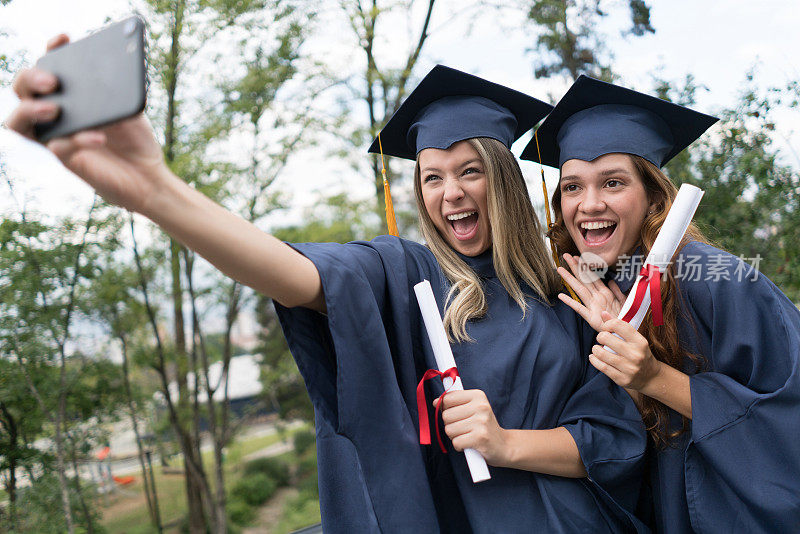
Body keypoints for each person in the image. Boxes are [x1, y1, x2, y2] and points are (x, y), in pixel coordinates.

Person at [6, 36, 647, 532]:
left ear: (503, 178)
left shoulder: (573, 291)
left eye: (470, 170)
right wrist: (157, 192)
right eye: (431, 176)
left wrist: (505, 443)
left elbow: (609, 440)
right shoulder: (406, 274)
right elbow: (295, 274)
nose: (451, 192)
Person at [522, 75, 800, 533]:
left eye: (612, 182)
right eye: (572, 187)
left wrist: (653, 376)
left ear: (654, 197)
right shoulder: (596, 289)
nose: (588, 204)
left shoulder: (716, 279)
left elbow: (785, 418)